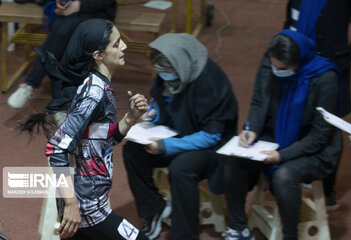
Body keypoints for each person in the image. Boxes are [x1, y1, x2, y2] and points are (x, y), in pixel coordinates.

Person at [19, 19, 149, 240]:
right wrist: (71, 205)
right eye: (117, 44)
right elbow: (56, 149)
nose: (124, 47)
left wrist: (131, 118)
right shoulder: (94, 93)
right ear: (98, 55)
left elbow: (100, 140)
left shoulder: (99, 85)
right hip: (87, 207)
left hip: (88, 202)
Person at [222, 30, 342, 240]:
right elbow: (259, 101)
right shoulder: (270, 63)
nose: (276, 70)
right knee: (234, 162)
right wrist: (252, 130)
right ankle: (238, 228)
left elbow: (319, 135)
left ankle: (289, 236)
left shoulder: (325, 78)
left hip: (314, 147)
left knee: (284, 176)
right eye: (274, 65)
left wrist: (282, 156)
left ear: (299, 62)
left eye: (283, 68)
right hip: (274, 134)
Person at [122, 33, 238, 240]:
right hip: (175, 134)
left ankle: (185, 235)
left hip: (210, 146)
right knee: (132, 151)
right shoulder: (172, 67)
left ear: (181, 66)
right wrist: (154, 112)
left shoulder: (211, 83)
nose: (165, 76)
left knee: (180, 169)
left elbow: (211, 137)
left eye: (169, 73)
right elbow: (163, 98)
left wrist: (167, 146)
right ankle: (154, 208)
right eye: (161, 72)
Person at [283, 0, 351, 210]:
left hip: (331, 66)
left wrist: (350, 53)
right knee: (299, 120)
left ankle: (327, 192)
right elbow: (290, 22)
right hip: (298, 68)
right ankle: (294, 182)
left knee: (330, 128)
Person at [7, 0, 117, 123]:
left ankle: (31, 83)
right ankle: (60, 104)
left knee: (64, 32)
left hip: (96, 13)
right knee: (63, 34)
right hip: (69, 14)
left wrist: (79, 5)